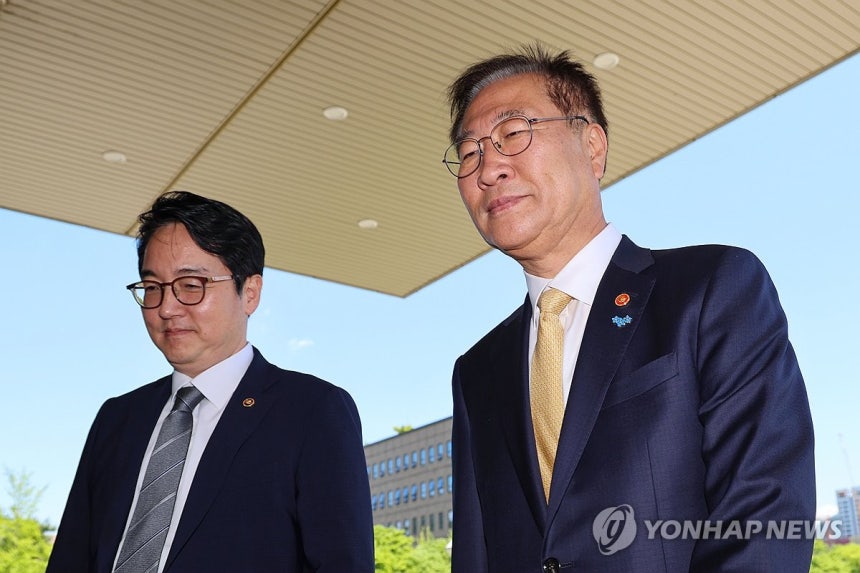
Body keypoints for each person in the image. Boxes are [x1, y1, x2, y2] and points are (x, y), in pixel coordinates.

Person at [445, 45, 815, 572]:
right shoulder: (477, 371)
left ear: (592, 146)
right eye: (470, 153)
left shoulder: (711, 288)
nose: (489, 169)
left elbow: (764, 514)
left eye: (513, 134)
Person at [47, 191, 374, 573]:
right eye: (152, 288)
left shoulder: (312, 411)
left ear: (249, 293)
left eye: (191, 285)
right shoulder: (117, 418)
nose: (166, 308)